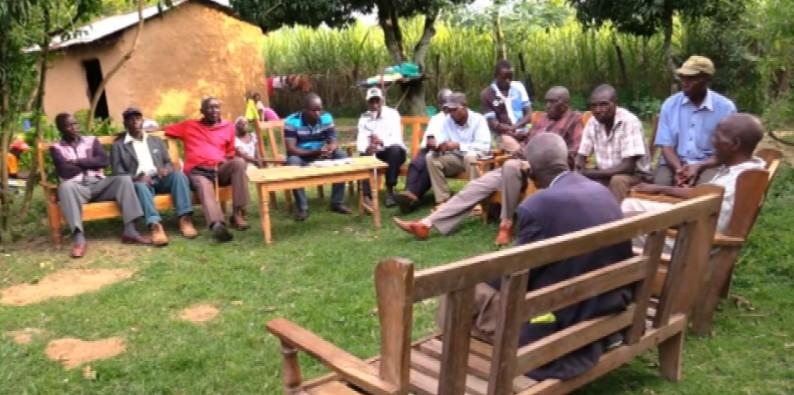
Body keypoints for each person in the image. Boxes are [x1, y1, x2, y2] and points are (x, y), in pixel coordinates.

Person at [458, 133, 633, 381]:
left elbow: (521, 276)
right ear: (568, 160)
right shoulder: (602, 192)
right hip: (609, 299)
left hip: (568, 313)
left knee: (465, 292)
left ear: (531, 172)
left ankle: (462, 351)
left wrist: (486, 272)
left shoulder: (537, 205)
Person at [392, 86, 583, 246]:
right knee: (475, 186)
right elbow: (527, 142)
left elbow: (572, 156)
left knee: (510, 166)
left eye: (552, 102)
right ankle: (426, 224)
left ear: (565, 104)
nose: (547, 105)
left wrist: (535, 159)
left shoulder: (574, 121)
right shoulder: (543, 119)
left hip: (544, 171)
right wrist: (514, 144)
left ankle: (506, 223)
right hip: (520, 164)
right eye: (546, 101)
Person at [622, 113, 766, 250]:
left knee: (621, 220)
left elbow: (701, 222)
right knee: (628, 205)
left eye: (717, 137)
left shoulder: (737, 182)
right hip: (694, 222)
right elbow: (705, 199)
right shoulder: (743, 170)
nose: (712, 141)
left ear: (734, 144)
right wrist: (663, 189)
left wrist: (643, 218)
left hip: (691, 246)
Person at [50, 113, 150, 258]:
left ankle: (130, 231)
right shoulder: (56, 148)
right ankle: (79, 239)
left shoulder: (91, 141)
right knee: (65, 187)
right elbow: (65, 170)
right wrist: (91, 162)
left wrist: (78, 162)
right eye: (69, 125)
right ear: (61, 129)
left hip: (99, 184)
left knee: (124, 180)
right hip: (77, 189)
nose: (74, 128)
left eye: (76, 124)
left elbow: (103, 161)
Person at [165, 97, 250, 243]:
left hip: (219, 169)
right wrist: (137, 130)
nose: (214, 111)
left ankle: (237, 214)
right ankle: (217, 225)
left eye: (217, 107)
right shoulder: (189, 126)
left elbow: (230, 153)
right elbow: (164, 130)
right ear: (202, 111)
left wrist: (221, 161)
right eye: (210, 108)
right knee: (205, 187)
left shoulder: (228, 127)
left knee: (239, 163)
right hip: (198, 171)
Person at [111, 107, 198, 246]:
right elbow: (118, 172)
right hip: (140, 182)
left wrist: (165, 169)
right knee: (140, 186)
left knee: (179, 176)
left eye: (137, 118)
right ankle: (155, 225)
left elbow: (168, 162)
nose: (135, 122)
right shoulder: (119, 146)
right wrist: (136, 178)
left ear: (142, 121)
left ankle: (185, 219)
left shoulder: (155, 141)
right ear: (125, 124)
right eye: (130, 119)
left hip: (160, 178)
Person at [653, 55, 737, 186]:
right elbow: (666, 146)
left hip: (710, 164)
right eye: (683, 77)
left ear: (706, 79)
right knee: (659, 185)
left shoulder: (725, 108)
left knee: (704, 192)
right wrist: (679, 170)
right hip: (674, 163)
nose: (685, 82)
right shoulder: (670, 105)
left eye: (691, 78)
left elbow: (726, 151)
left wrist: (699, 166)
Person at [575, 84, 650, 202]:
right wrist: (579, 166)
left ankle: (615, 218)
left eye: (603, 104)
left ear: (615, 103)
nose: (598, 110)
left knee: (617, 181)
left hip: (634, 176)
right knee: (576, 180)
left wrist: (592, 173)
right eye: (593, 106)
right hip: (604, 172)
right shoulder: (592, 122)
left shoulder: (629, 122)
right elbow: (581, 155)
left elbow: (628, 166)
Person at [283, 93, 352, 221]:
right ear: (305, 109)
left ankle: (337, 203)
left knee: (341, 155)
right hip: (300, 155)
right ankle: (302, 208)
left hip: (320, 153)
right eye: (314, 110)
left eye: (320, 109)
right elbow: (291, 149)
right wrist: (316, 152)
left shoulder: (326, 117)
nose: (318, 113)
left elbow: (333, 139)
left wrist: (331, 147)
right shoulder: (292, 121)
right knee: (292, 163)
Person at [426, 92, 491, 205]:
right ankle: (443, 200)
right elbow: (442, 138)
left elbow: (483, 147)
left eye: (454, 110)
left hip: (478, 160)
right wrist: (438, 146)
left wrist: (458, 145)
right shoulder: (448, 121)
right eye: (449, 110)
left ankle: (475, 201)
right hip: (456, 159)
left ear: (465, 107)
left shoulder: (479, 120)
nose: (451, 113)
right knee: (430, 157)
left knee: (470, 156)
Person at [395, 88, 454, 213]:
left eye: (450, 101)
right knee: (416, 163)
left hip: (446, 152)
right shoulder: (436, 119)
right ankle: (409, 193)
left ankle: (412, 198)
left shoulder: (455, 117)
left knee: (429, 162)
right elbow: (429, 136)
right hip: (430, 149)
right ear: (440, 105)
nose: (448, 106)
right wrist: (430, 142)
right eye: (445, 103)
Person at [355, 87, 406, 208]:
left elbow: (396, 138)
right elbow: (361, 139)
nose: (374, 104)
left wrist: (382, 142)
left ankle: (390, 189)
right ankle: (367, 197)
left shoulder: (392, 114)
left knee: (395, 150)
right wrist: (367, 148)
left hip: (391, 151)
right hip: (374, 153)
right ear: (367, 103)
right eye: (371, 101)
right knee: (364, 156)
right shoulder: (364, 118)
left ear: (382, 101)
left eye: (377, 101)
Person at [480, 59, 532, 154]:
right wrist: (512, 131)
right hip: (502, 135)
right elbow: (493, 124)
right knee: (520, 151)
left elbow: (528, 114)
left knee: (539, 144)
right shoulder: (487, 94)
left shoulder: (519, 87)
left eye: (510, 78)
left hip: (523, 130)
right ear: (496, 76)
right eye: (504, 78)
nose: (508, 81)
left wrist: (517, 127)